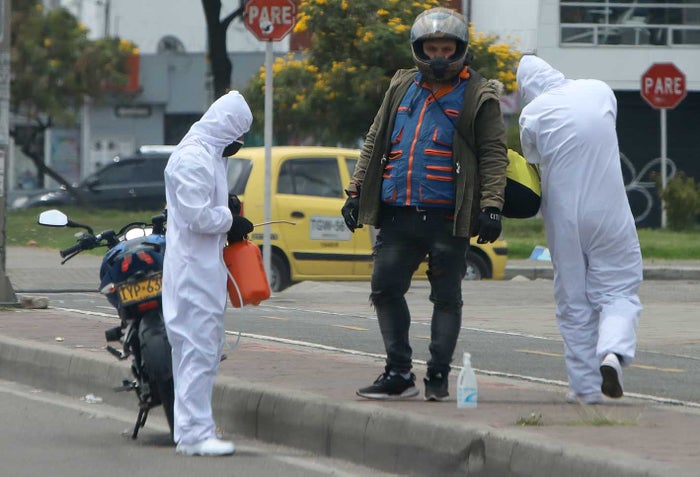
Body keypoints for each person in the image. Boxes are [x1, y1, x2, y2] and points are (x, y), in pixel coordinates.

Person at [342, 7, 508, 402]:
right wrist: (355, 191)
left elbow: (493, 154)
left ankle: (438, 375)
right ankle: (399, 373)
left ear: (460, 50)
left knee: (446, 298)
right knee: (384, 289)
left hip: (448, 217)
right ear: (419, 49)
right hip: (397, 214)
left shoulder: (479, 95)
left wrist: (491, 206)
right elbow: (375, 139)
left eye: (446, 49)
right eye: (431, 49)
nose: (438, 57)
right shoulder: (402, 86)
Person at [516, 55, 643, 404]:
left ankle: (585, 389)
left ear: (526, 88)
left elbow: (533, 159)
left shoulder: (531, 113)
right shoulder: (599, 90)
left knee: (573, 301)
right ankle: (613, 352)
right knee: (619, 290)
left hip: (564, 217)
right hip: (609, 211)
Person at [162, 90, 254, 456]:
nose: (239, 142)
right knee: (198, 351)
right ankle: (195, 435)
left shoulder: (208, 155)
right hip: (193, 273)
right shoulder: (193, 158)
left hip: (200, 269)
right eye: (238, 133)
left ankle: (190, 431)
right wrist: (230, 219)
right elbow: (197, 216)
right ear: (226, 126)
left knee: (198, 351)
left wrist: (225, 211)